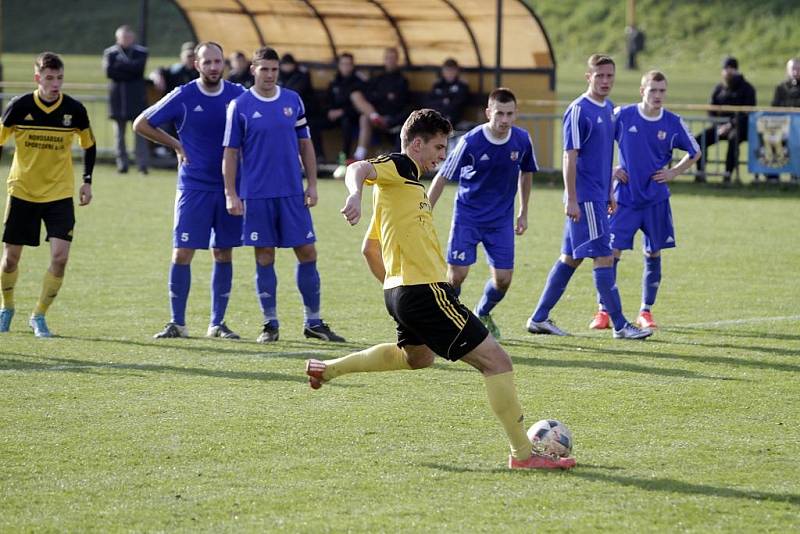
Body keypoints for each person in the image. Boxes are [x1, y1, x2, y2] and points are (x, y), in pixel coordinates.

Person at [305, 109, 575, 471]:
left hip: (403, 293)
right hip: (424, 292)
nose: (442, 156)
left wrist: (398, 290)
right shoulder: (399, 167)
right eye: (437, 147)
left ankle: (329, 369)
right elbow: (357, 168)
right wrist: (353, 194)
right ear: (416, 144)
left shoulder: (400, 190)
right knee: (497, 362)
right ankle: (524, 456)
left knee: (418, 357)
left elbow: (369, 249)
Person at [222, 46, 345, 343]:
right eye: (264, 69)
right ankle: (270, 324)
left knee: (307, 252)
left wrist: (312, 185)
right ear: (253, 70)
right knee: (264, 256)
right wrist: (231, 193)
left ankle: (313, 322)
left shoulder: (292, 100)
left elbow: (306, 145)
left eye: (274, 69)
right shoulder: (239, 105)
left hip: (292, 193)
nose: (269, 75)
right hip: (257, 195)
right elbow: (231, 153)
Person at [526, 54, 651, 340]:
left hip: (598, 195)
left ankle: (539, 318)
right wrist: (571, 198)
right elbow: (569, 156)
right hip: (585, 199)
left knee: (570, 258)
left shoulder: (608, 108)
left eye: (610, 76)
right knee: (604, 257)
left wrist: (609, 190)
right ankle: (620, 325)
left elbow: (605, 154)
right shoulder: (578, 110)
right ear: (588, 77)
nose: (605, 81)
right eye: (600, 76)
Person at [133, 42, 246, 339]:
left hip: (229, 188)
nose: (212, 67)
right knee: (182, 252)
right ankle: (177, 323)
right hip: (193, 187)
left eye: (217, 61)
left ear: (224, 64)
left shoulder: (238, 95)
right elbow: (141, 124)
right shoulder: (184, 95)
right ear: (196, 64)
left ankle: (217, 324)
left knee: (223, 252)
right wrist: (176, 145)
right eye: (206, 62)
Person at [587, 71, 700, 331]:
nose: (658, 96)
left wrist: (673, 172)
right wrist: (611, 170)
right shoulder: (623, 115)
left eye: (662, 91)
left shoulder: (672, 122)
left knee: (653, 252)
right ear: (642, 91)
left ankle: (645, 311)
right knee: (610, 254)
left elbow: (695, 152)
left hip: (655, 200)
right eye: (653, 90)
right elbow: (599, 141)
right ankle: (604, 310)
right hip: (624, 199)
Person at [427, 88, 536, 339]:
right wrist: (425, 210)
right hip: (468, 217)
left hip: (500, 222)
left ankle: (482, 313)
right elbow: (443, 177)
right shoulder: (471, 141)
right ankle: (446, 324)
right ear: (488, 113)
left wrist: (523, 212)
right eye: (499, 113)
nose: (504, 120)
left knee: (503, 280)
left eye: (510, 114)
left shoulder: (522, 140)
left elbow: (526, 172)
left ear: (516, 114)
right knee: (457, 276)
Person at [0, 52, 96, 337]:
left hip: (59, 194)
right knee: (10, 260)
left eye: (60, 78)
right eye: (50, 78)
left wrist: (87, 181)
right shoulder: (19, 106)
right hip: (22, 191)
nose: (56, 84)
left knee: (60, 257)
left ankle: (38, 315)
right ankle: (7, 307)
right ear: (37, 78)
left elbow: (89, 145)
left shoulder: (75, 110)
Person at [694, 56, 756, 183]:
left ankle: (728, 174)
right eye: (726, 68)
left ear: (737, 70)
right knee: (699, 140)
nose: (728, 71)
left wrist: (730, 125)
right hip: (719, 127)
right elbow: (711, 109)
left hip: (740, 128)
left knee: (734, 140)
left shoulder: (747, 88)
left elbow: (747, 112)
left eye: (731, 68)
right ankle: (700, 172)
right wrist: (717, 125)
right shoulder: (719, 88)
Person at [103, 25, 149, 174]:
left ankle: (142, 165)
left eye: (128, 37)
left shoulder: (141, 52)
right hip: (118, 100)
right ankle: (122, 165)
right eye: (123, 37)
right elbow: (110, 72)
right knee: (119, 136)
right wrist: (129, 68)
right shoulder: (110, 53)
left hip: (136, 99)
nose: (126, 40)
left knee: (140, 133)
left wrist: (121, 67)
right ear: (118, 38)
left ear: (133, 38)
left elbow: (138, 70)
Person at [324, 52, 373, 161]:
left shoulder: (359, 81)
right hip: (334, 115)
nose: (346, 67)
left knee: (347, 122)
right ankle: (318, 157)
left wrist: (343, 111)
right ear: (339, 65)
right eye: (343, 64)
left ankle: (345, 156)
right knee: (313, 123)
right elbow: (328, 100)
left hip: (352, 116)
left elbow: (361, 106)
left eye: (348, 64)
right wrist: (329, 111)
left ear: (352, 65)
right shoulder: (334, 81)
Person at [279, 53, 324, 160]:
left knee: (310, 127)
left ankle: (318, 156)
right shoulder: (278, 75)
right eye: (285, 64)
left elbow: (296, 93)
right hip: (283, 112)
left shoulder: (302, 75)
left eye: (289, 64)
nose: (287, 67)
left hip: (307, 112)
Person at [364, 47, 409, 147]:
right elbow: (369, 97)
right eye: (388, 58)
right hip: (377, 115)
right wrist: (386, 95)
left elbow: (400, 102)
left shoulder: (402, 80)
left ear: (397, 60)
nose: (390, 61)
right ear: (384, 60)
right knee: (363, 118)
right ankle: (359, 154)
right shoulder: (378, 78)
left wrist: (380, 96)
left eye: (393, 58)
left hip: (392, 118)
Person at [766, 58, 800, 182]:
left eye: (798, 69)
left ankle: (796, 176)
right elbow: (774, 108)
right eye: (793, 69)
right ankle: (772, 176)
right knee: (771, 141)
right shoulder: (781, 88)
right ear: (787, 71)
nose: (796, 72)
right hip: (783, 128)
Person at [426, 58, 470, 127]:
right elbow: (428, 102)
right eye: (447, 70)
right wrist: (444, 101)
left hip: (454, 119)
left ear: (457, 71)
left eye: (452, 70)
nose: (449, 73)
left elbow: (458, 104)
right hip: (435, 116)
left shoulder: (462, 85)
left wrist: (443, 100)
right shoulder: (437, 84)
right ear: (442, 71)